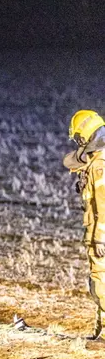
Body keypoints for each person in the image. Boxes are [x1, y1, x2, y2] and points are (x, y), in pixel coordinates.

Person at [64, 110, 105, 346]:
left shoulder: (100, 166)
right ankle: (101, 333)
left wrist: (100, 238)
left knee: (101, 282)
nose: (78, 141)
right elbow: (69, 160)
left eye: (80, 137)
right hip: (97, 232)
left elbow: (103, 206)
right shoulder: (96, 159)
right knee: (99, 281)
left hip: (100, 234)